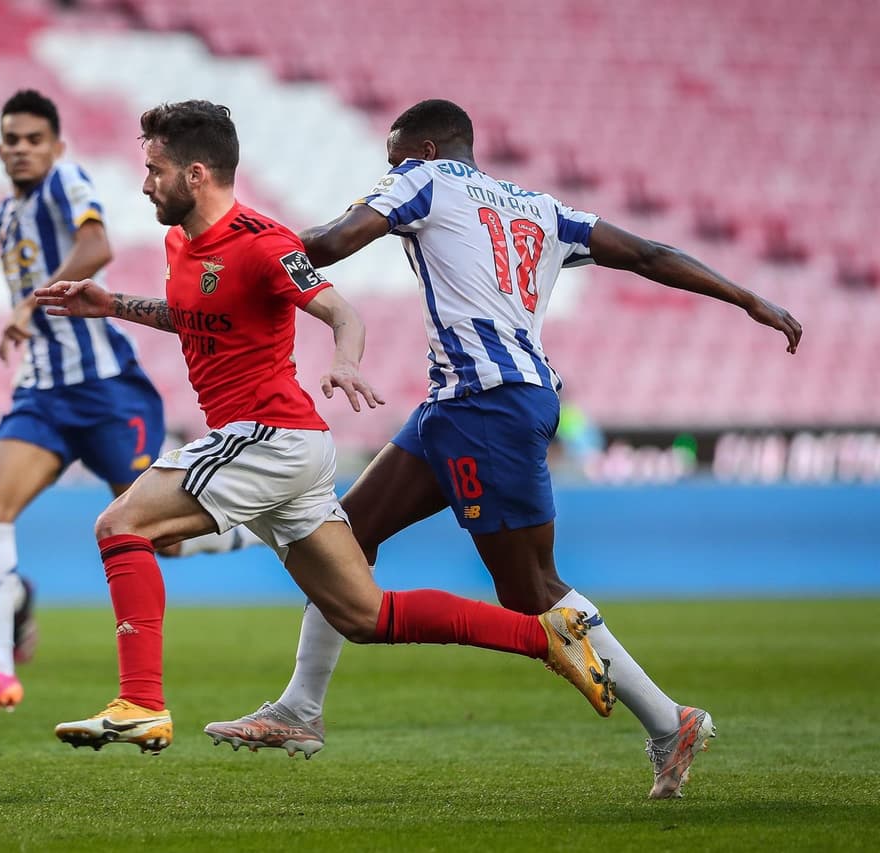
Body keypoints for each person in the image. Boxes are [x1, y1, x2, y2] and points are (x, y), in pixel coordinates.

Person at [203, 99, 803, 798]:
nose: (388, 171)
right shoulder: (541, 207)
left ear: (424, 149)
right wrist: (747, 296)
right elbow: (648, 253)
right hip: (458, 404)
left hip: (489, 406)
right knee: (345, 536)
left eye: (395, 158)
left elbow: (334, 240)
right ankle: (300, 710)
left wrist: (239, 251)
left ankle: (672, 721)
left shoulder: (423, 179)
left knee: (530, 591)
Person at [37, 99, 616, 757]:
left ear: (195, 174)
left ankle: (140, 703)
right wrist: (112, 305)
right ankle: (545, 638)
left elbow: (344, 313)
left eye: (154, 169)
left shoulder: (262, 241)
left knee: (120, 525)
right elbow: (194, 314)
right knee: (364, 615)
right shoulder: (181, 243)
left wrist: (344, 363)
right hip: (290, 453)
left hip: (268, 436)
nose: (144, 184)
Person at [0, 90, 260, 712]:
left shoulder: (67, 181)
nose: (22, 149)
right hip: (43, 395)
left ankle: (256, 528)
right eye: (11, 139)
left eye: (34, 139)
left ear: (55, 146)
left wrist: (29, 306)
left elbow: (98, 246)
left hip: (108, 393)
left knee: (162, 537)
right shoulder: (6, 215)